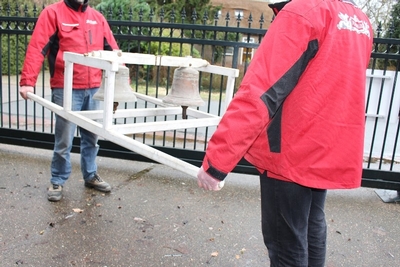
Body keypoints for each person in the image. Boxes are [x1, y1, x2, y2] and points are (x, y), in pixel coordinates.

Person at [197, 0, 373, 266]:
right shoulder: (357, 19)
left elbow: (260, 92)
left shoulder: (302, 13)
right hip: (323, 146)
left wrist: (217, 162)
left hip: (290, 151)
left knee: (286, 246)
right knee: (312, 227)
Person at [19, 0, 119, 202]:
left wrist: (121, 83)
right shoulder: (53, 13)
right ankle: (58, 179)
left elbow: (113, 51)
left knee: (92, 137)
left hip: (94, 87)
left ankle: (90, 175)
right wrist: (27, 81)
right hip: (66, 87)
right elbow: (38, 46)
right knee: (64, 139)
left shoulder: (97, 18)